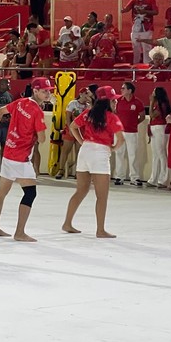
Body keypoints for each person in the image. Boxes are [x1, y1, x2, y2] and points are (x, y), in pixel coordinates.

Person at [0, 77, 52, 242]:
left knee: (2, 192)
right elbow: (42, 139)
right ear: (35, 90)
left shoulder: (20, 102)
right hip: (21, 158)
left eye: (49, 91)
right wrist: (39, 132)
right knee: (30, 193)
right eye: (44, 91)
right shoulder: (37, 111)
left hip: (8, 153)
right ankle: (20, 232)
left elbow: (0, 112)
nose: (48, 93)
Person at [63, 86, 124, 238]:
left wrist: (82, 141)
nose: (115, 103)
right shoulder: (111, 117)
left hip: (85, 152)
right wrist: (113, 148)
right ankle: (100, 230)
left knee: (81, 191)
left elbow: (72, 126)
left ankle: (67, 223)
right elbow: (121, 139)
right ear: (108, 101)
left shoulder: (88, 113)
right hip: (100, 154)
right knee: (102, 196)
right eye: (114, 100)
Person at [113, 82, 145, 187]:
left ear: (130, 90)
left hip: (132, 132)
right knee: (119, 154)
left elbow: (142, 116)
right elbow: (114, 113)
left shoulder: (137, 102)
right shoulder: (118, 101)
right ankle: (119, 176)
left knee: (133, 154)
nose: (121, 90)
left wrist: (134, 124)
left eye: (123, 88)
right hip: (119, 132)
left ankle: (134, 178)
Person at [57, 86, 92, 179]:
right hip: (71, 128)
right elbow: (68, 117)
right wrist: (70, 129)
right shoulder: (73, 103)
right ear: (80, 94)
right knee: (65, 150)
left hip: (83, 130)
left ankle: (78, 171)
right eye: (85, 93)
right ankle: (61, 170)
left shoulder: (89, 105)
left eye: (88, 93)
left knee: (79, 152)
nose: (87, 95)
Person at [121, 0, 158, 64]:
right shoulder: (133, 1)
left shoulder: (150, 0)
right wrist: (124, 10)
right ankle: (136, 64)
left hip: (147, 27)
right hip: (136, 28)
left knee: (146, 47)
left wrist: (145, 11)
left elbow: (155, 12)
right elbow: (127, 8)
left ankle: (147, 64)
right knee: (135, 47)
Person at [147, 87, 171, 188]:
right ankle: (154, 178)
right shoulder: (158, 104)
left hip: (160, 128)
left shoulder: (162, 105)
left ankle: (164, 179)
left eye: (154, 92)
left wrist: (151, 102)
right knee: (156, 154)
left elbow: (152, 115)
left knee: (161, 153)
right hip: (154, 128)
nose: (152, 93)